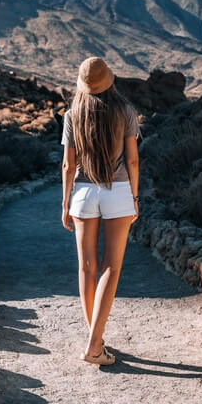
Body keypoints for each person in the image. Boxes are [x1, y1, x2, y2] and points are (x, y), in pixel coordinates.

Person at [61, 56, 139, 366]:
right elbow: (132, 161)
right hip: (117, 191)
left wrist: (65, 203)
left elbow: (68, 165)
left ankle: (96, 338)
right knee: (111, 266)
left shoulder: (72, 114)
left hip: (82, 191)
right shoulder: (125, 112)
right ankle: (95, 345)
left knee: (87, 267)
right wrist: (134, 196)